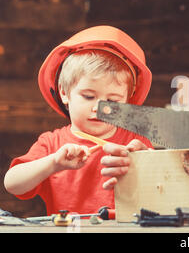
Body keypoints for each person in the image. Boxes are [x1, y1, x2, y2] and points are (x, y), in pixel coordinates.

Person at [4, 26, 153, 215]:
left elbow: (164, 190)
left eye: (112, 101)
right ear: (65, 93)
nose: (99, 108)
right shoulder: (52, 143)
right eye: (89, 96)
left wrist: (144, 165)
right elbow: (12, 184)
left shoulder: (135, 143)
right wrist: (54, 163)